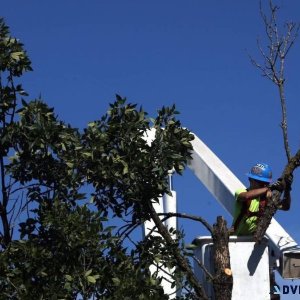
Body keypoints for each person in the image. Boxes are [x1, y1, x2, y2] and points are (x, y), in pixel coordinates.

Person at [231, 163, 292, 236]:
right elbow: (246, 196)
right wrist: (269, 188)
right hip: (236, 239)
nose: (264, 185)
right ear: (251, 180)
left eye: (265, 183)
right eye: (261, 183)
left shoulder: (266, 198)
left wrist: (287, 190)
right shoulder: (241, 192)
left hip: (253, 240)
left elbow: (285, 207)